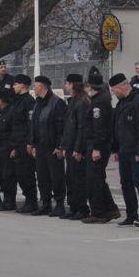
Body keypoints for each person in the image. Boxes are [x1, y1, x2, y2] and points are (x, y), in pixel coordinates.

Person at [109, 73, 139, 228]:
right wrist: (115, 148)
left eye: (114, 90)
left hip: (137, 150)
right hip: (123, 150)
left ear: (122, 86)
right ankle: (131, 214)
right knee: (125, 183)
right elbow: (116, 127)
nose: (114, 93)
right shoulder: (121, 103)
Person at [82, 67, 119, 223]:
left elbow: (100, 129)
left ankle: (98, 212)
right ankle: (110, 208)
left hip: (97, 146)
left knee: (94, 180)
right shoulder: (101, 100)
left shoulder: (98, 104)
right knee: (98, 178)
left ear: (91, 87)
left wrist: (96, 148)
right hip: (97, 145)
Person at [29, 76, 66, 217]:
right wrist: (33, 144)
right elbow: (34, 124)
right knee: (42, 176)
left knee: (56, 177)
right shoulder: (37, 103)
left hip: (52, 147)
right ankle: (45, 204)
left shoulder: (57, 103)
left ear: (42, 86)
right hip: (40, 146)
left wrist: (59, 146)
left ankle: (60, 204)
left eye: (35, 85)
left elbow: (60, 127)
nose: (34, 88)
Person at [58, 74, 88, 220]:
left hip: (77, 147)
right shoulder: (72, 102)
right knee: (70, 178)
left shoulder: (82, 102)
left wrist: (78, 148)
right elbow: (68, 126)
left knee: (78, 179)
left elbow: (81, 127)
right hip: (69, 146)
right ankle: (73, 206)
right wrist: (63, 145)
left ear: (72, 85)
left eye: (67, 83)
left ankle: (82, 208)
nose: (66, 86)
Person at [10, 74, 39, 214]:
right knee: (20, 174)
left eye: (16, 84)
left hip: (25, 143)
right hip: (17, 142)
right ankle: (28, 199)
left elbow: (30, 124)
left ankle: (32, 201)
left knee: (26, 173)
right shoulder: (17, 100)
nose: (14, 86)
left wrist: (30, 143)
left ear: (22, 85)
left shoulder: (29, 101)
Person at [0, 87, 20, 211]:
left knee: (8, 176)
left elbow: (14, 131)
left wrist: (13, 148)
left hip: (8, 148)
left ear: (1, 100)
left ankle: (10, 200)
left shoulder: (11, 112)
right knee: (2, 175)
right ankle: (5, 199)